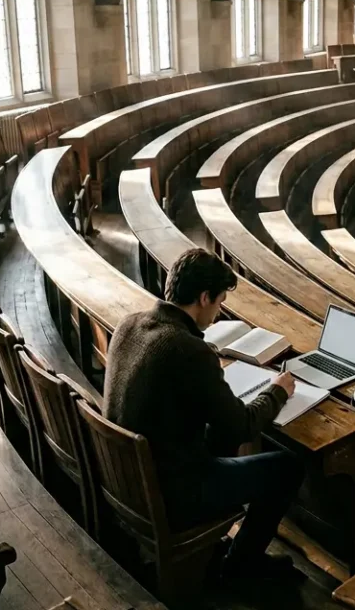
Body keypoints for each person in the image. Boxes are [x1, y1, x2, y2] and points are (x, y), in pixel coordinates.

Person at [103, 248, 304, 581]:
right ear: (204, 297)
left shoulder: (130, 324)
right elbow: (244, 426)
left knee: (219, 434)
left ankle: (218, 551)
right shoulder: (188, 350)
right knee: (287, 467)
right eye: (220, 302)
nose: (219, 311)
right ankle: (241, 566)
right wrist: (279, 389)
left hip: (124, 479)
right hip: (171, 495)